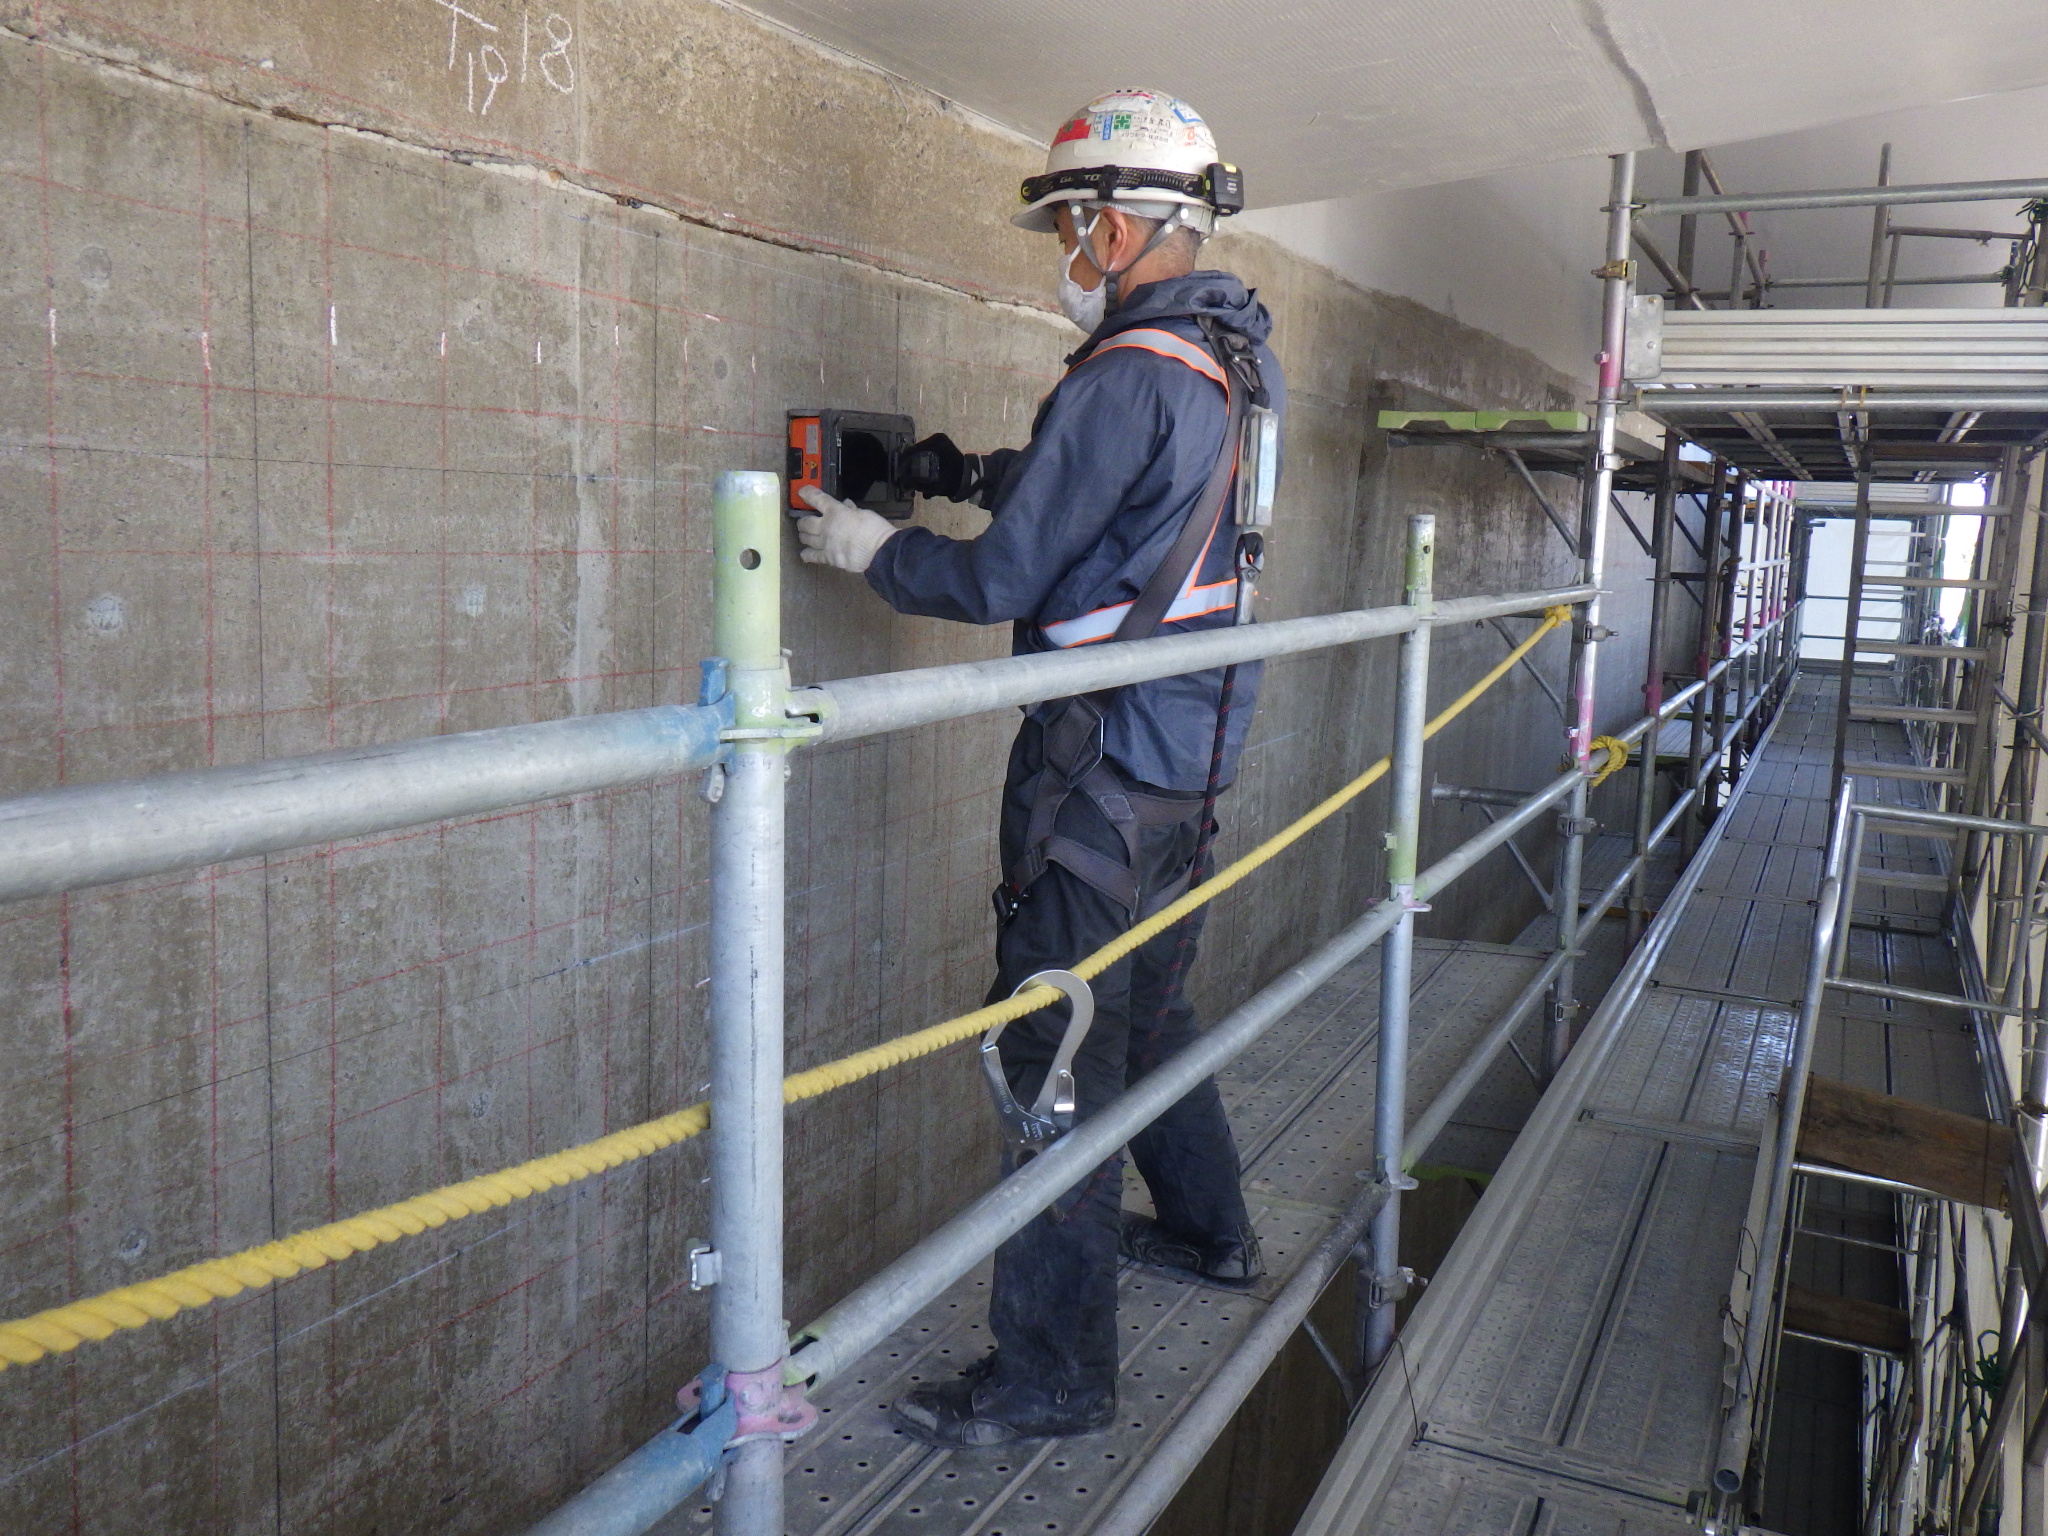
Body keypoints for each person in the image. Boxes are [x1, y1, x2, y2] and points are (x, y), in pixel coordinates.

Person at [793, 87, 1286, 1448]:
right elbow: (1122, 508)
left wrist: (870, 549)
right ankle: (1211, 1232)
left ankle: (1052, 1378)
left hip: (1099, 773)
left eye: (1071, 226)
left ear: (1119, 230)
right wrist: (965, 469)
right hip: (1186, 768)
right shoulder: (1229, 365)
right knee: (1149, 1013)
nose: (1063, 252)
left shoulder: (1127, 373)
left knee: (1052, 1064)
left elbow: (1013, 574)